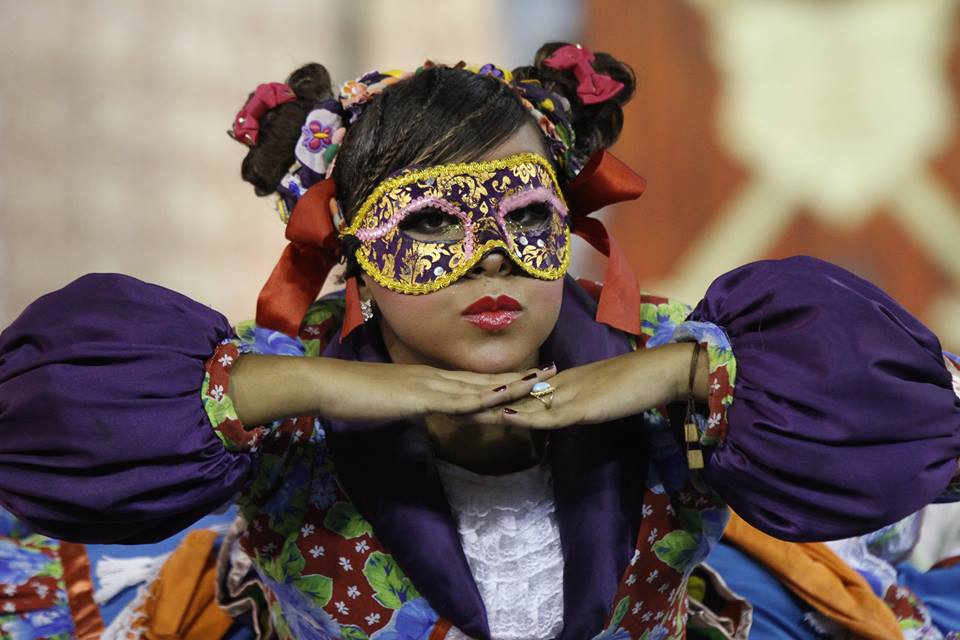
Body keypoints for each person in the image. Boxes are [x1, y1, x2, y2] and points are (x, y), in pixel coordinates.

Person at [0, 42, 958, 640]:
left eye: (528, 218)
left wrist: (674, 374)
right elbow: (41, 428)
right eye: (428, 226)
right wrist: (327, 390)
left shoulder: (676, 354)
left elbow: (919, 415)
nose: (490, 259)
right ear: (355, 254)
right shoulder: (272, 397)